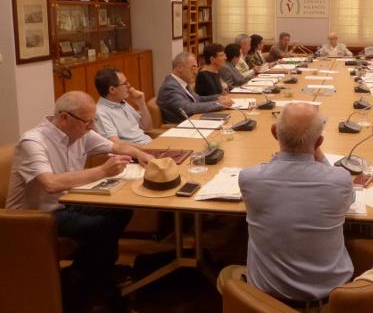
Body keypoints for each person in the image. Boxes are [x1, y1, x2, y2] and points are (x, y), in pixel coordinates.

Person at [6, 91, 153, 300]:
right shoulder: (33, 141)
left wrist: (141, 154)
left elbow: (116, 146)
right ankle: (92, 282)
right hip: (35, 217)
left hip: (67, 203)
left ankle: (90, 273)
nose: (91, 127)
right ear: (65, 117)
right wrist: (102, 171)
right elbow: (51, 183)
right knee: (103, 226)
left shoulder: (81, 132)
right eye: (87, 122)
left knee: (121, 210)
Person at [237, 103, 354, 304]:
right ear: (319, 142)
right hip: (333, 299)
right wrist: (317, 153)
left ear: (274, 133)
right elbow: (349, 201)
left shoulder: (249, 179)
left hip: (266, 301)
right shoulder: (340, 180)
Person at [157, 51, 232, 124]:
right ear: (180, 68)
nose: (196, 72)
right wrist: (218, 104)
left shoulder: (182, 83)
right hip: (181, 127)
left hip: (194, 121)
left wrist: (217, 97)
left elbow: (197, 99)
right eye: (193, 67)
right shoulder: (170, 87)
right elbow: (187, 108)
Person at [94, 68, 152, 145]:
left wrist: (141, 103)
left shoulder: (122, 102)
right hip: (138, 151)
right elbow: (115, 143)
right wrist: (145, 149)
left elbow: (147, 127)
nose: (129, 85)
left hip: (149, 144)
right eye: (125, 83)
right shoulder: (100, 112)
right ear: (112, 90)